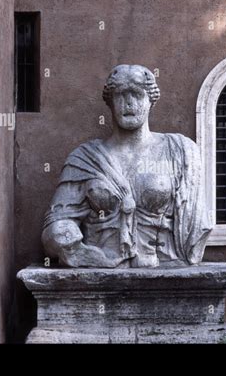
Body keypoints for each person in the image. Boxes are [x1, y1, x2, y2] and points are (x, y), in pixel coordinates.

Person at [42, 64, 212, 268]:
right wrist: (64, 236)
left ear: (151, 101)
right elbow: (56, 222)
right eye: (121, 95)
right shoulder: (85, 159)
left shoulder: (179, 151)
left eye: (137, 95)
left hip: (164, 264)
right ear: (110, 102)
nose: (129, 103)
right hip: (100, 267)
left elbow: (197, 225)